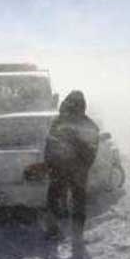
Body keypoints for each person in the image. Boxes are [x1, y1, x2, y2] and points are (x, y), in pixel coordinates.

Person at [44, 91, 99, 247]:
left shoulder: (58, 122)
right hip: (74, 170)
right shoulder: (87, 124)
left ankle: (53, 231)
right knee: (77, 201)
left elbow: (49, 146)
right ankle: (76, 235)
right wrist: (84, 166)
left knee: (54, 199)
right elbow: (92, 150)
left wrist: (50, 163)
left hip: (60, 168)